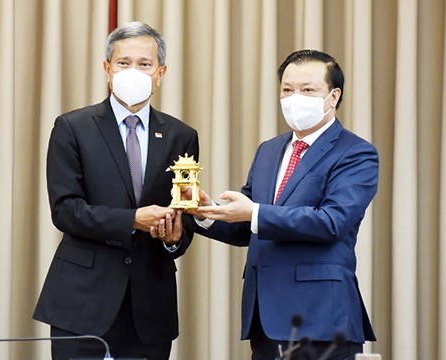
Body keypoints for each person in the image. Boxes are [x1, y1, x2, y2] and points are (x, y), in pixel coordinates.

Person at [185, 50, 378, 360]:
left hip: (321, 319)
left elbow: (332, 221)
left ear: (333, 96)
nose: (294, 98)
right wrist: (207, 213)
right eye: (287, 90)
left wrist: (254, 213)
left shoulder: (356, 153)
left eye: (308, 89)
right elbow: (249, 225)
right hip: (265, 317)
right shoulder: (269, 150)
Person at [33, 22, 199, 360]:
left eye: (144, 64)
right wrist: (132, 220)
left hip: (150, 306)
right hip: (83, 302)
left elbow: (184, 213)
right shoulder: (72, 127)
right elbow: (65, 210)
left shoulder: (182, 136)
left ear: (160, 72)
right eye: (124, 63)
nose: (133, 71)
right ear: (107, 68)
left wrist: (174, 237)